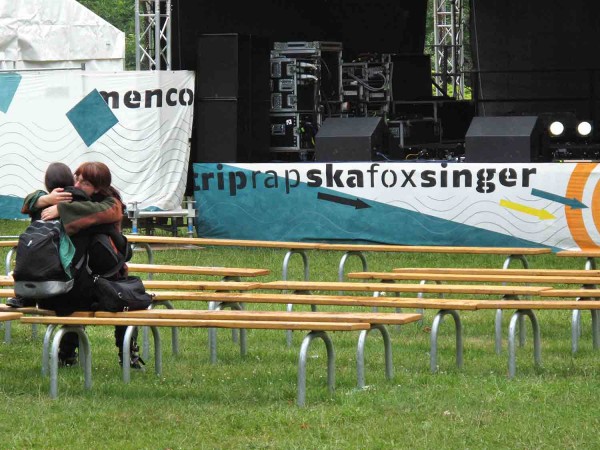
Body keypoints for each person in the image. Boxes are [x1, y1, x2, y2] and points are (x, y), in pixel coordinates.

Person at [14, 162, 143, 368]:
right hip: (78, 277)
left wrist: (62, 208)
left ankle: (128, 354)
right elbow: (29, 204)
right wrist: (45, 199)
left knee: (126, 299)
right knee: (75, 296)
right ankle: (66, 354)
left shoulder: (109, 203)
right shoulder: (73, 197)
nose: (78, 184)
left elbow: (104, 211)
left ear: (99, 187)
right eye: (77, 178)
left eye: (85, 182)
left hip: (108, 275)